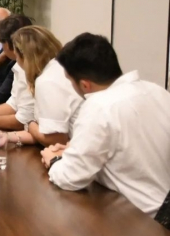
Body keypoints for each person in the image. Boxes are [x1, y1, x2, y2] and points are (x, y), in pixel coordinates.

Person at [41, 34, 170, 218]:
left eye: (70, 81)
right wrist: (72, 150)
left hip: (144, 219)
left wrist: (53, 160)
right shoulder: (156, 90)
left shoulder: (99, 106)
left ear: (85, 85)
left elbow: (71, 177)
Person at [11, 26, 83, 147]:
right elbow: (46, 133)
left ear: (24, 56)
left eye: (16, 56)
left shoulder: (47, 80)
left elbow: (56, 139)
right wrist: (7, 136)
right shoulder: (58, 68)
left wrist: (30, 125)